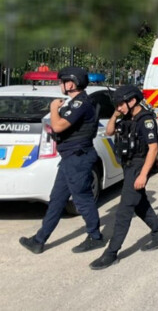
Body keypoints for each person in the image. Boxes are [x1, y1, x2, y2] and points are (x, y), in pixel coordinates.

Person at [19, 66, 106, 255]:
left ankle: (95, 236)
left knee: (82, 199)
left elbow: (58, 126)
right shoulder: (73, 103)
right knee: (57, 200)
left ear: (72, 83)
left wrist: (52, 108)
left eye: (62, 81)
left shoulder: (80, 103)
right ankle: (39, 240)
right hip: (69, 158)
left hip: (78, 158)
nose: (60, 85)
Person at [89, 85, 158, 270]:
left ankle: (111, 253)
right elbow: (109, 131)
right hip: (128, 167)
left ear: (132, 101)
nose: (119, 107)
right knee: (140, 204)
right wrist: (115, 115)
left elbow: (153, 148)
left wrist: (143, 175)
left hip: (138, 166)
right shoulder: (126, 116)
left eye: (120, 104)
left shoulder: (146, 120)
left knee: (124, 210)